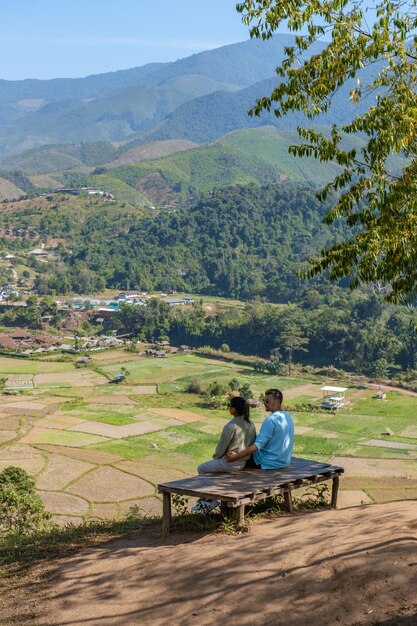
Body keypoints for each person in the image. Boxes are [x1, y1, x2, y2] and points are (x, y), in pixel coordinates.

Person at [192, 396, 256, 512]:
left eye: (230, 406)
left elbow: (221, 447)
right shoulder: (250, 423)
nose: (229, 408)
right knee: (212, 468)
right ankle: (207, 500)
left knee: (201, 468)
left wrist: (216, 457)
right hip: (243, 462)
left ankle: (210, 500)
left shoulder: (231, 426)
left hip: (229, 462)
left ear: (234, 409)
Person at [226, 388, 294, 470]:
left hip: (267, 462)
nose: (264, 403)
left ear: (276, 401)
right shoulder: (287, 416)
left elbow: (258, 445)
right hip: (283, 461)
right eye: (264, 401)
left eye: (267, 401)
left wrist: (237, 456)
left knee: (233, 455)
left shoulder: (271, 420)